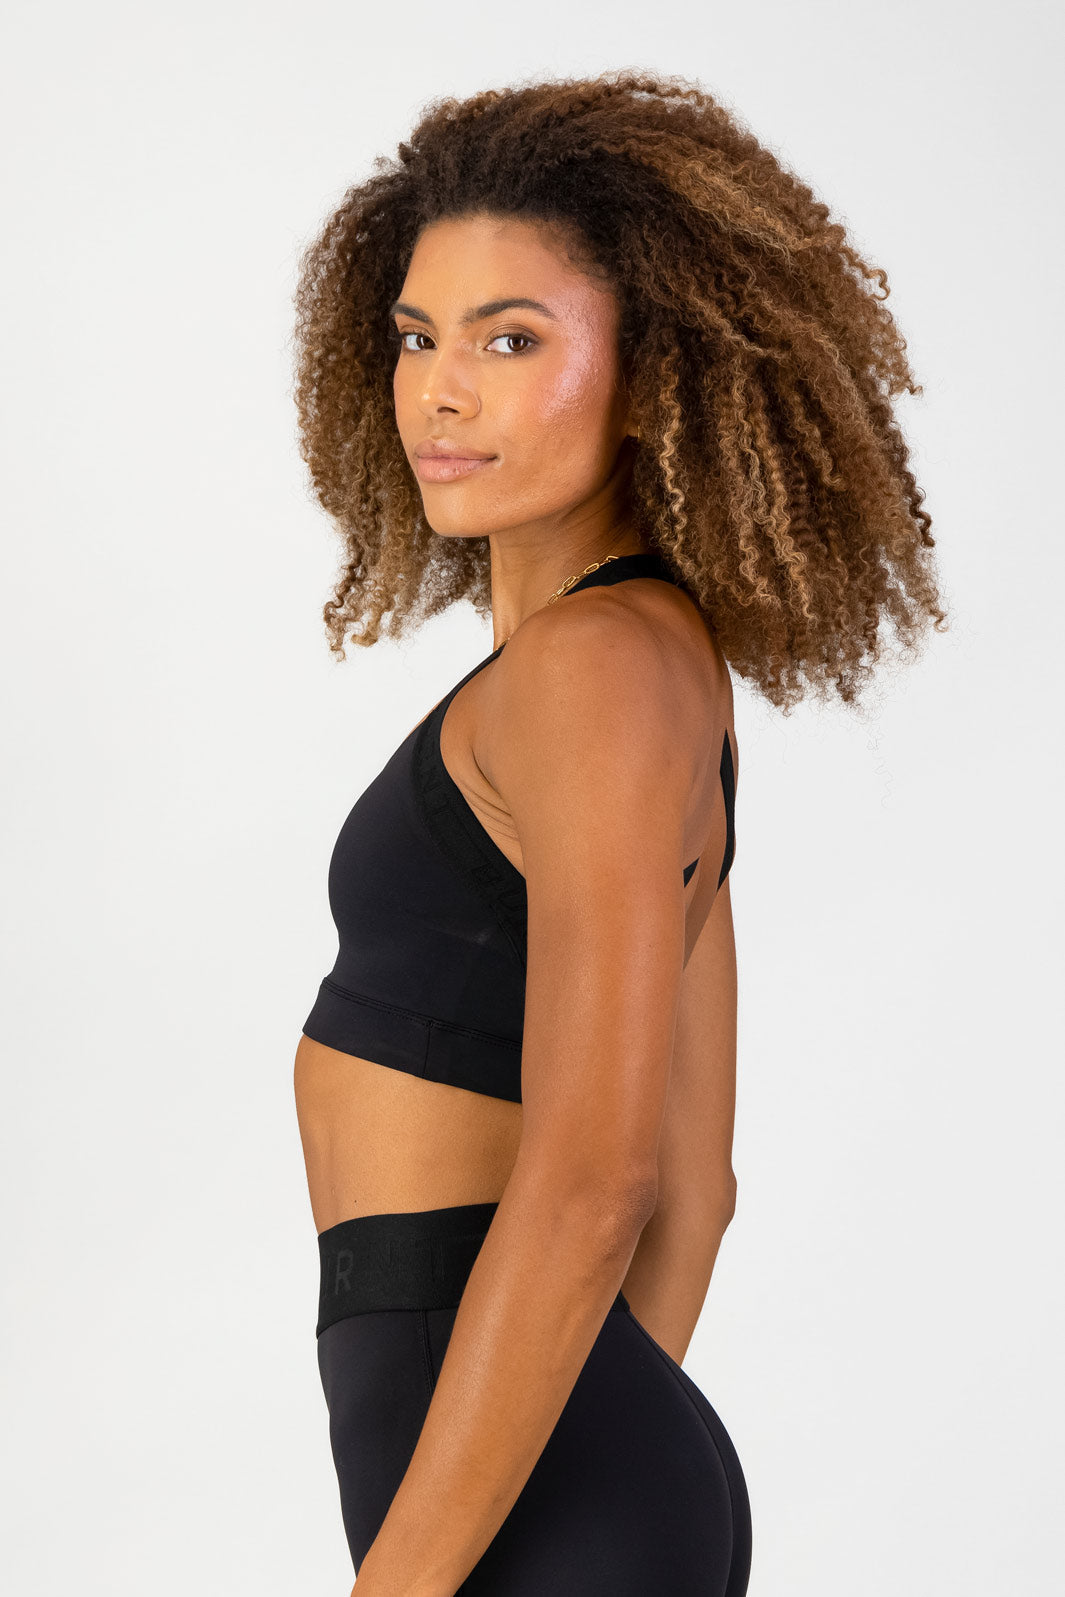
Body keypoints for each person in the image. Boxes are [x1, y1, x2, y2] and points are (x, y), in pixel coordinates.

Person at [290, 70, 946, 1597]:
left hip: (519, 1487)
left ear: (654, 378)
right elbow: (696, 1183)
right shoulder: (652, 663)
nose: (438, 390)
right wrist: (593, 1442)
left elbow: (603, 1181)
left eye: (509, 338)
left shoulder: (589, 672)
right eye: (416, 335)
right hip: (551, 1474)